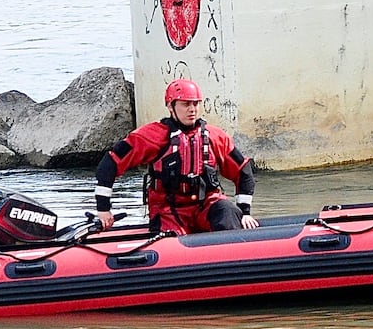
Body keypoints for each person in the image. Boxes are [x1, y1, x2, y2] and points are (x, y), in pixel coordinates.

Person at [94, 79, 259, 234]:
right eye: (185, 104)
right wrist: (103, 209)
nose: (192, 109)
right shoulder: (150, 136)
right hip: (168, 210)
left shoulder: (215, 137)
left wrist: (244, 212)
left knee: (228, 211)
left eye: (195, 104)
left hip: (206, 205)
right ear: (171, 106)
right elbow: (109, 165)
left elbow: (243, 171)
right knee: (168, 239)